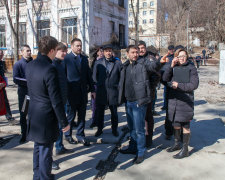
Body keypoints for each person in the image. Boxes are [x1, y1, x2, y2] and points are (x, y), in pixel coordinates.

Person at [26, 36, 70, 179]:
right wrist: (64, 122)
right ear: (52, 50)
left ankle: (37, 175)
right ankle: (44, 177)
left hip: (33, 113)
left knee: (38, 147)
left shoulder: (30, 65)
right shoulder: (50, 69)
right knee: (45, 150)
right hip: (46, 116)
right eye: (56, 49)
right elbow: (55, 100)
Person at [119, 45, 161, 164]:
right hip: (128, 101)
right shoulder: (125, 66)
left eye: (136, 52)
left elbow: (154, 67)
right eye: (132, 52)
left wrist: (160, 62)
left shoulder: (143, 64)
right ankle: (132, 147)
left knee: (139, 130)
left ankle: (141, 152)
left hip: (139, 102)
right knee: (131, 128)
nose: (135, 54)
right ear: (127, 54)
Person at [163, 48, 199, 159]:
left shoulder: (191, 68)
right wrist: (171, 66)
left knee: (185, 125)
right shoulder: (174, 67)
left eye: (183, 56)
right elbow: (164, 78)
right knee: (176, 124)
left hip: (186, 101)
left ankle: (185, 149)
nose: (181, 58)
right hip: (174, 100)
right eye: (179, 56)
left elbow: (194, 85)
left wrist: (179, 85)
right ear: (176, 57)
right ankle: (177, 144)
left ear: (187, 56)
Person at [63, 38, 95, 146]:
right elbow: (63, 77)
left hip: (83, 93)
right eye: (77, 46)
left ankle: (80, 135)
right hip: (71, 93)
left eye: (80, 46)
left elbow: (88, 76)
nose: (79, 48)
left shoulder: (84, 59)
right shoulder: (66, 59)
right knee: (71, 117)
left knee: (82, 116)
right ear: (71, 47)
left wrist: (92, 90)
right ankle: (68, 135)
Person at [92, 44, 121, 137]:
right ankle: (99, 129)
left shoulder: (117, 63)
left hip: (113, 91)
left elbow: (120, 78)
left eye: (110, 51)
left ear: (112, 52)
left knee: (114, 113)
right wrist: (99, 85)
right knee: (100, 112)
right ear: (103, 52)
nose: (108, 53)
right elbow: (94, 77)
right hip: (101, 91)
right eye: (106, 51)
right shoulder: (98, 62)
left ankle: (114, 130)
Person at [138, 41, 160, 148]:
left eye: (143, 48)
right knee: (138, 117)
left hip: (148, 92)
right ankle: (139, 137)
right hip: (137, 93)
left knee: (148, 117)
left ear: (145, 48)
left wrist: (151, 87)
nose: (141, 50)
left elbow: (156, 74)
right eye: (139, 48)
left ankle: (149, 138)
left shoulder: (150, 58)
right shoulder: (135, 58)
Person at [52, 42, 73, 156]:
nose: (64, 53)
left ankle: (59, 146)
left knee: (60, 125)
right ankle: (51, 156)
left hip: (63, 100)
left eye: (65, 51)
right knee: (55, 127)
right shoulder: (53, 65)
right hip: (57, 102)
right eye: (62, 51)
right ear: (55, 51)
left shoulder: (60, 63)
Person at [13, 45, 33, 143]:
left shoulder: (33, 63)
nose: (29, 52)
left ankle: (32, 133)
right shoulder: (18, 64)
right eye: (27, 51)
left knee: (33, 114)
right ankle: (24, 134)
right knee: (23, 114)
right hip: (24, 94)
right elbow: (15, 78)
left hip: (34, 93)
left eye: (30, 51)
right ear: (22, 52)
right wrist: (28, 81)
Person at [89, 47, 104, 128]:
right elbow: (92, 73)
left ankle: (100, 122)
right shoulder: (94, 61)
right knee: (94, 105)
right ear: (97, 52)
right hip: (95, 85)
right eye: (100, 51)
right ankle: (94, 120)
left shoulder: (106, 61)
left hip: (103, 86)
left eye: (102, 51)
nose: (101, 53)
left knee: (101, 106)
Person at [0, 50, 15, 124]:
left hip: (2, 85)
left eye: (2, 54)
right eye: (0, 55)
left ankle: (9, 117)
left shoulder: (2, 62)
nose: (1, 56)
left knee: (5, 101)